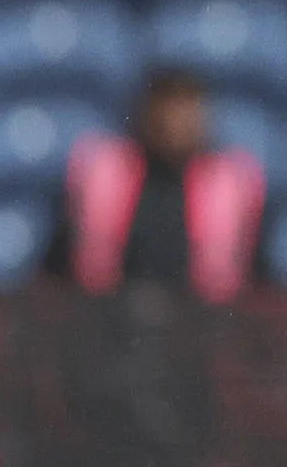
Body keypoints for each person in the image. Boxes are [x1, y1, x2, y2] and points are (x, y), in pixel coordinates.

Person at [45, 70, 268, 304]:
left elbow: (259, 277)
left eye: (187, 113)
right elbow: (60, 265)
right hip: (110, 313)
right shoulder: (104, 176)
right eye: (167, 112)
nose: (176, 125)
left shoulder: (232, 185)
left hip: (206, 319)